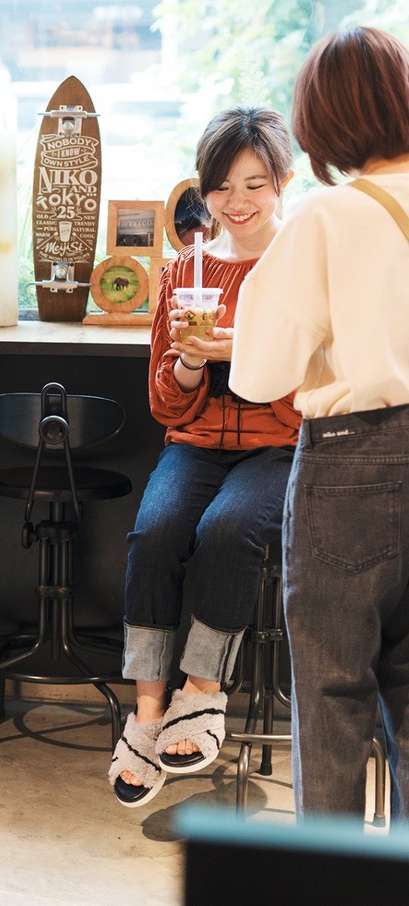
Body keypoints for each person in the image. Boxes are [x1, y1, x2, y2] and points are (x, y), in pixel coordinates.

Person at [231, 26, 409, 820]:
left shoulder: (328, 215)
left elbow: (259, 373)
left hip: (353, 464)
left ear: (323, 121)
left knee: (332, 702)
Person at [108, 106, 300, 808]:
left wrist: (241, 352)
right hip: (196, 444)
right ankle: (149, 710)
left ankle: (203, 691)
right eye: (222, 186)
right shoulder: (184, 270)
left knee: (227, 529)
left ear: (282, 182)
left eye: (255, 184)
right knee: (153, 531)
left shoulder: (296, 266)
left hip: (278, 446)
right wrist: (192, 364)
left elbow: (306, 390)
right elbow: (167, 404)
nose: (238, 202)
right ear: (204, 190)